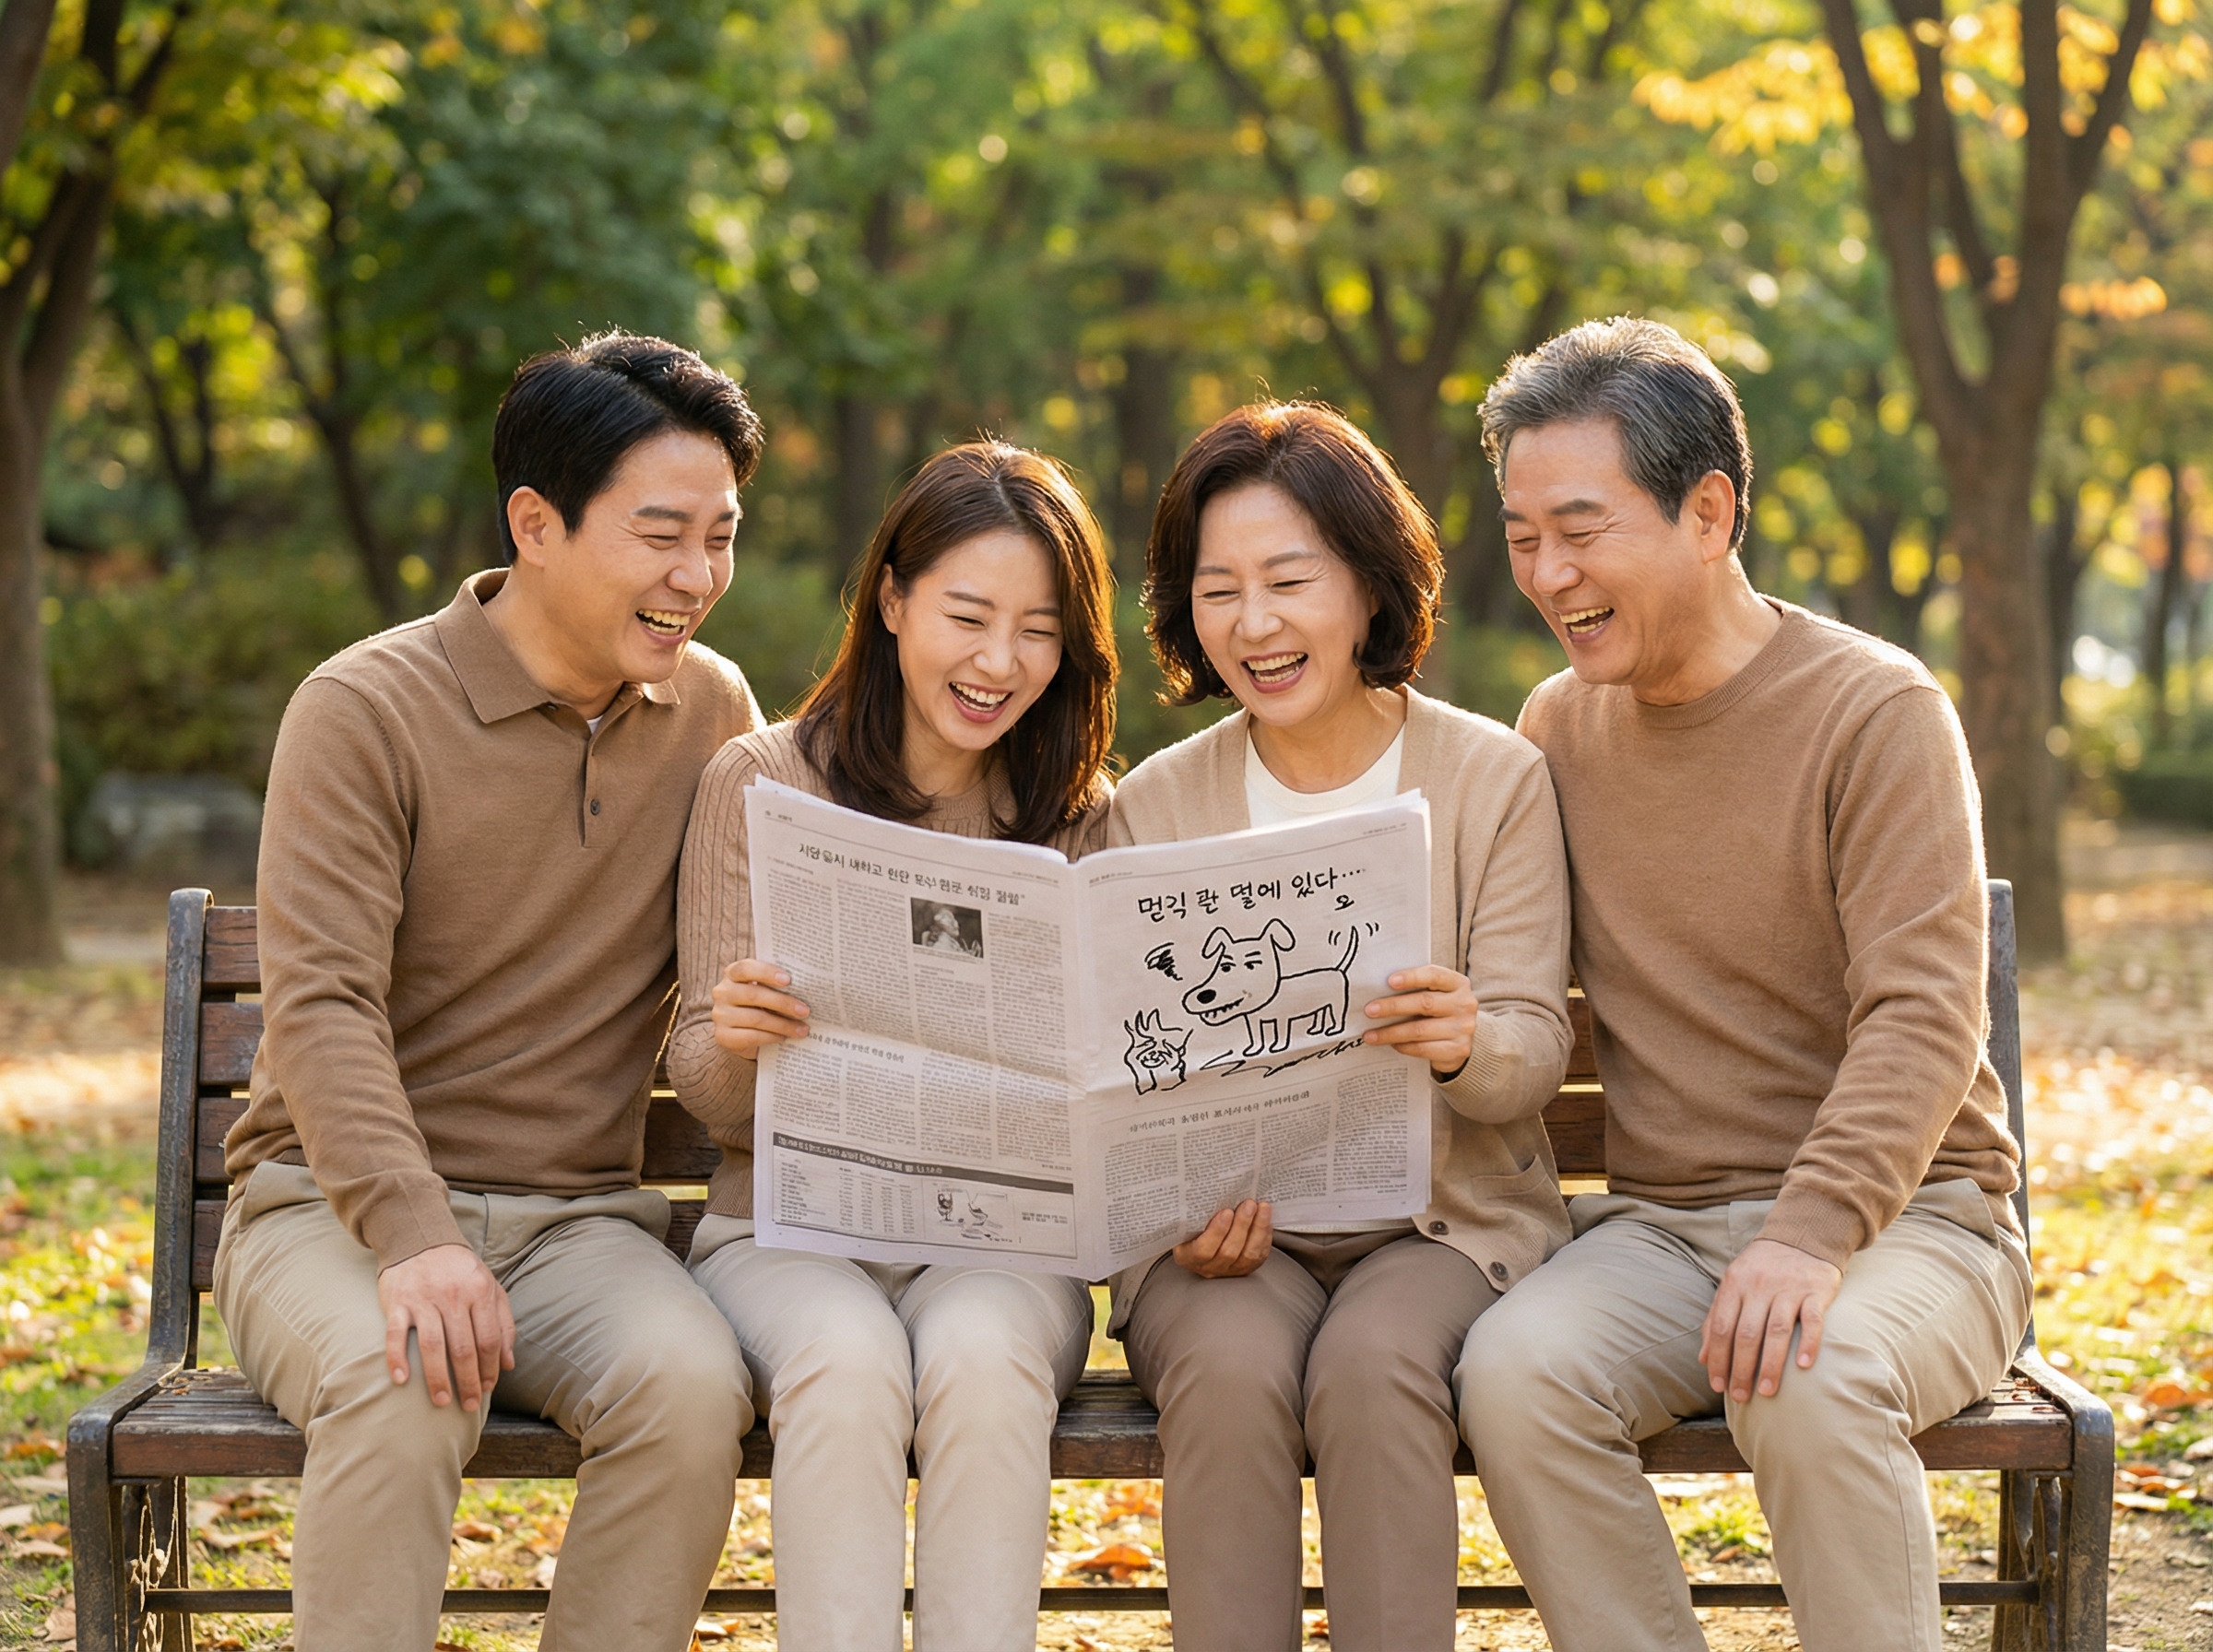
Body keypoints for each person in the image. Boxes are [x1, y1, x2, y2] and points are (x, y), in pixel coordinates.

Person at [1457, 316, 2031, 1652]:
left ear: (1708, 511)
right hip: (1666, 1234)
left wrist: (1809, 1234)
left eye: (1582, 528)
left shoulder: (1877, 714)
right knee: (1518, 1371)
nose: (1548, 572)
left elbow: (1925, 1014)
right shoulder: (1557, 726)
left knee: (1811, 1378)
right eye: (1522, 534)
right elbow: (1520, 994)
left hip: (1917, 1222)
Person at [213, 333, 766, 1652]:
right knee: (402, 1386)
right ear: (535, 522)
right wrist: (416, 1236)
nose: (698, 579)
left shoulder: (713, 714)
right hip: (329, 1215)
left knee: (694, 1393)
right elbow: (325, 1004)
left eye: (723, 537)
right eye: (660, 535)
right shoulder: (364, 710)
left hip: (577, 1229)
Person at [1106, 401, 1575, 1652]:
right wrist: (1172, 1212)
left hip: (1438, 1223)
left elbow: (1534, 1043)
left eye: (1288, 580)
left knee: (1372, 1370)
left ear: (1369, 586)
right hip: (1222, 1242)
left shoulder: (1492, 780)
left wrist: (1467, 1038)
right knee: (1231, 1369)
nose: (1254, 624)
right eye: (1219, 591)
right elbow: (1121, 1075)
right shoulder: (1153, 806)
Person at [668, 442, 1119, 1652]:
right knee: (846, 1360)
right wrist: (739, 1036)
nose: (999, 661)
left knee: (979, 1360)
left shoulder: (1081, 815)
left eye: (1038, 630)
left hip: (1003, 1241)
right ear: (894, 598)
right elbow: (706, 1090)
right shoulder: (763, 781)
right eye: (968, 615)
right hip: (785, 1229)